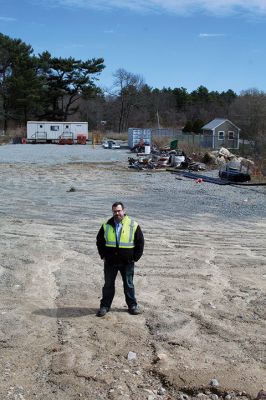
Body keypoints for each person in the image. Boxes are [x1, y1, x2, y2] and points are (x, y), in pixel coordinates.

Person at [96, 201, 144, 317]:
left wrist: (135, 258)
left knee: (129, 285)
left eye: (119, 210)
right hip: (110, 262)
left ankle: (132, 306)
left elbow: (140, 243)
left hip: (127, 262)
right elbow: (100, 241)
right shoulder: (106, 225)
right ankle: (105, 306)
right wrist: (103, 256)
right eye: (115, 211)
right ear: (112, 212)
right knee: (108, 285)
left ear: (124, 210)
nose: (117, 213)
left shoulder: (133, 225)